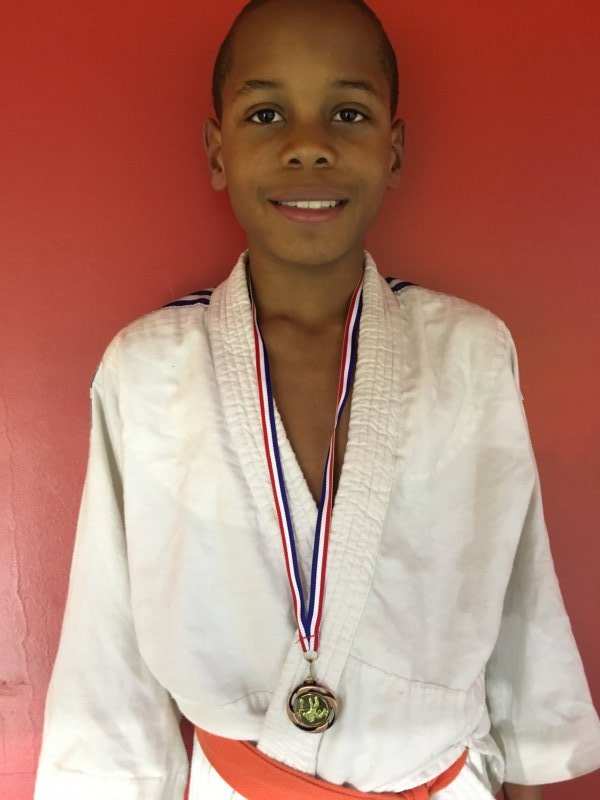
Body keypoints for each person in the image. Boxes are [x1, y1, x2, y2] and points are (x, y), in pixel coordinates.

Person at [34, 0, 600, 798]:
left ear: (393, 150)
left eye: (349, 113)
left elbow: (518, 599)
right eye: (266, 114)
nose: (309, 144)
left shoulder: (471, 352)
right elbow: (109, 641)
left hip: (444, 781)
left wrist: (531, 773)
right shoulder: (149, 369)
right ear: (217, 150)